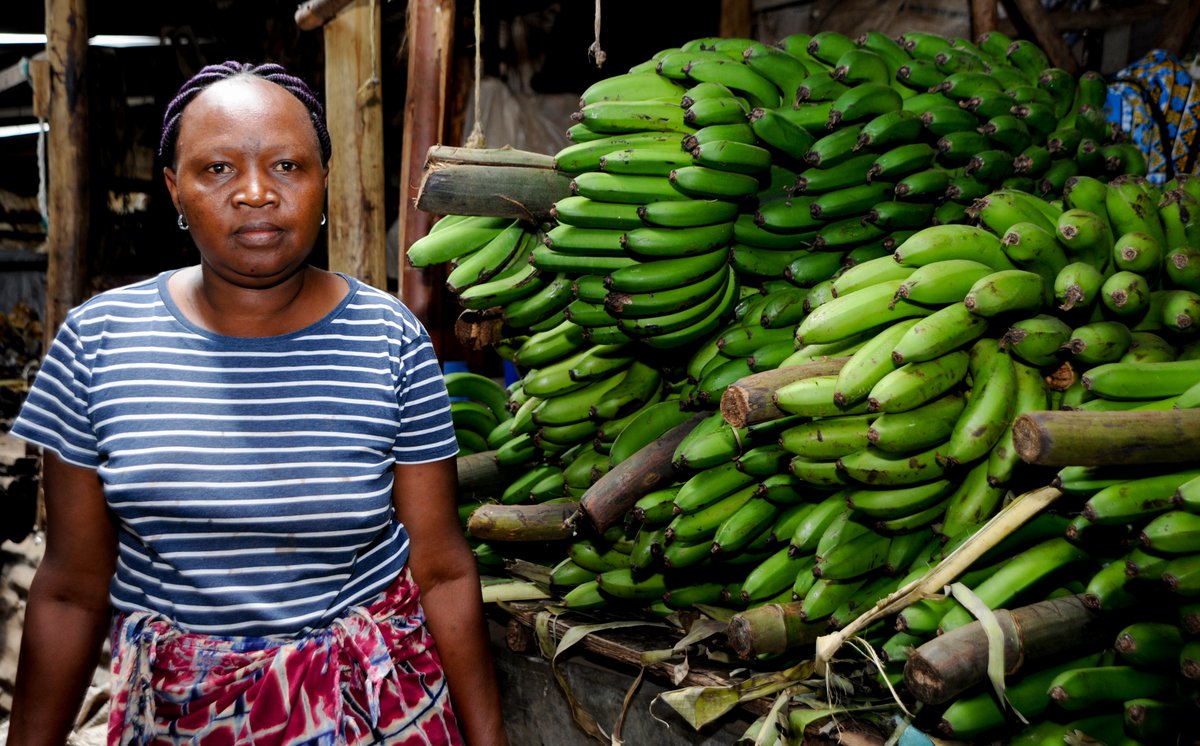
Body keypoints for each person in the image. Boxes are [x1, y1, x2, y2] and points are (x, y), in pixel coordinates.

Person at [6, 60, 508, 746]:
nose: (254, 193)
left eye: (287, 167)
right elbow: (70, 588)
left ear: (324, 182)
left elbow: (444, 569)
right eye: (216, 169)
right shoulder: (97, 343)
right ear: (172, 190)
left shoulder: (389, 339)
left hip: (372, 712)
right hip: (179, 721)